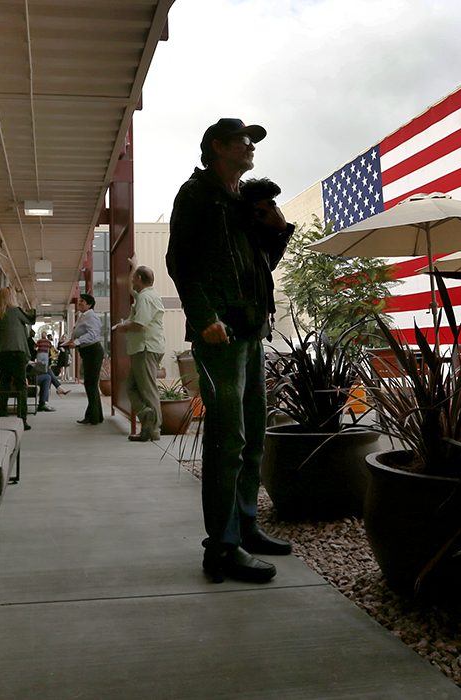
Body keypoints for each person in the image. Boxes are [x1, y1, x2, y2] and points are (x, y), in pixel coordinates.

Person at [166, 118, 294, 584]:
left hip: (249, 329)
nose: (251, 147)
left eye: (253, 142)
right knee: (228, 439)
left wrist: (278, 231)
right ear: (218, 147)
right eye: (244, 141)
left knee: (254, 433)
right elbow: (179, 260)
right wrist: (204, 317)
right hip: (219, 332)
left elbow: (260, 266)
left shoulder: (240, 201)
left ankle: (245, 528)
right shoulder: (197, 194)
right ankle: (221, 546)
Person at [113, 265, 165, 442]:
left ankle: (153, 430)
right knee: (132, 387)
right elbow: (131, 289)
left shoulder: (146, 298)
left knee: (148, 389)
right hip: (143, 348)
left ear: (140, 280)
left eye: (134, 278)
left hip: (145, 349)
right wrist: (133, 266)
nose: (132, 282)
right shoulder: (146, 295)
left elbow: (140, 324)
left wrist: (122, 328)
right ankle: (146, 415)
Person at [0, 287, 36, 416]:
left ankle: (2, 414)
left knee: (4, 384)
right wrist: (32, 306)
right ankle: (22, 417)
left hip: (2, 353)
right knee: (21, 385)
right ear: (11, 297)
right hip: (17, 352)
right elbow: (30, 320)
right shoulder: (15, 311)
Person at [63, 293, 104, 425]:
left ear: (89, 305)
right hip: (87, 352)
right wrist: (71, 341)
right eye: (79, 301)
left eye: (82, 302)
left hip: (93, 351)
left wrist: (78, 341)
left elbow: (93, 334)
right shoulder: (83, 316)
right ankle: (96, 415)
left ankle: (92, 417)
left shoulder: (91, 317)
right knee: (91, 384)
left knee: (90, 384)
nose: (79, 303)